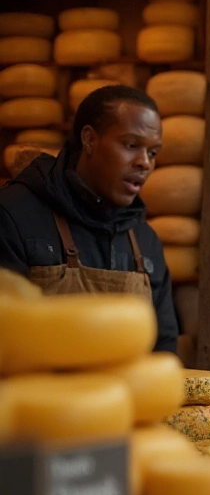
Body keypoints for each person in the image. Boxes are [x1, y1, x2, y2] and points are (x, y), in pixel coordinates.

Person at [0, 85, 178, 352]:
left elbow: (163, 348)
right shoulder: (13, 215)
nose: (144, 163)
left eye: (152, 153)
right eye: (131, 145)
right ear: (89, 139)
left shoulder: (145, 241)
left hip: (127, 395)